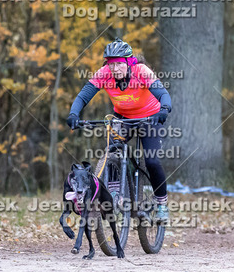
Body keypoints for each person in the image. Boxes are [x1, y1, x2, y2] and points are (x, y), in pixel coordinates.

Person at [66, 38, 172, 222]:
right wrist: (74, 114)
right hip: (123, 118)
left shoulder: (141, 71)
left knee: (152, 161)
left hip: (150, 117)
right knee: (113, 152)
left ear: (129, 62)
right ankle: (117, 192)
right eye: (111, 64)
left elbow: (163, 94)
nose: (115, 69)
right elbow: (83, 97)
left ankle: (161, 203)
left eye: (119, 64)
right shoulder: (104, 74)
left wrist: (164, 110)